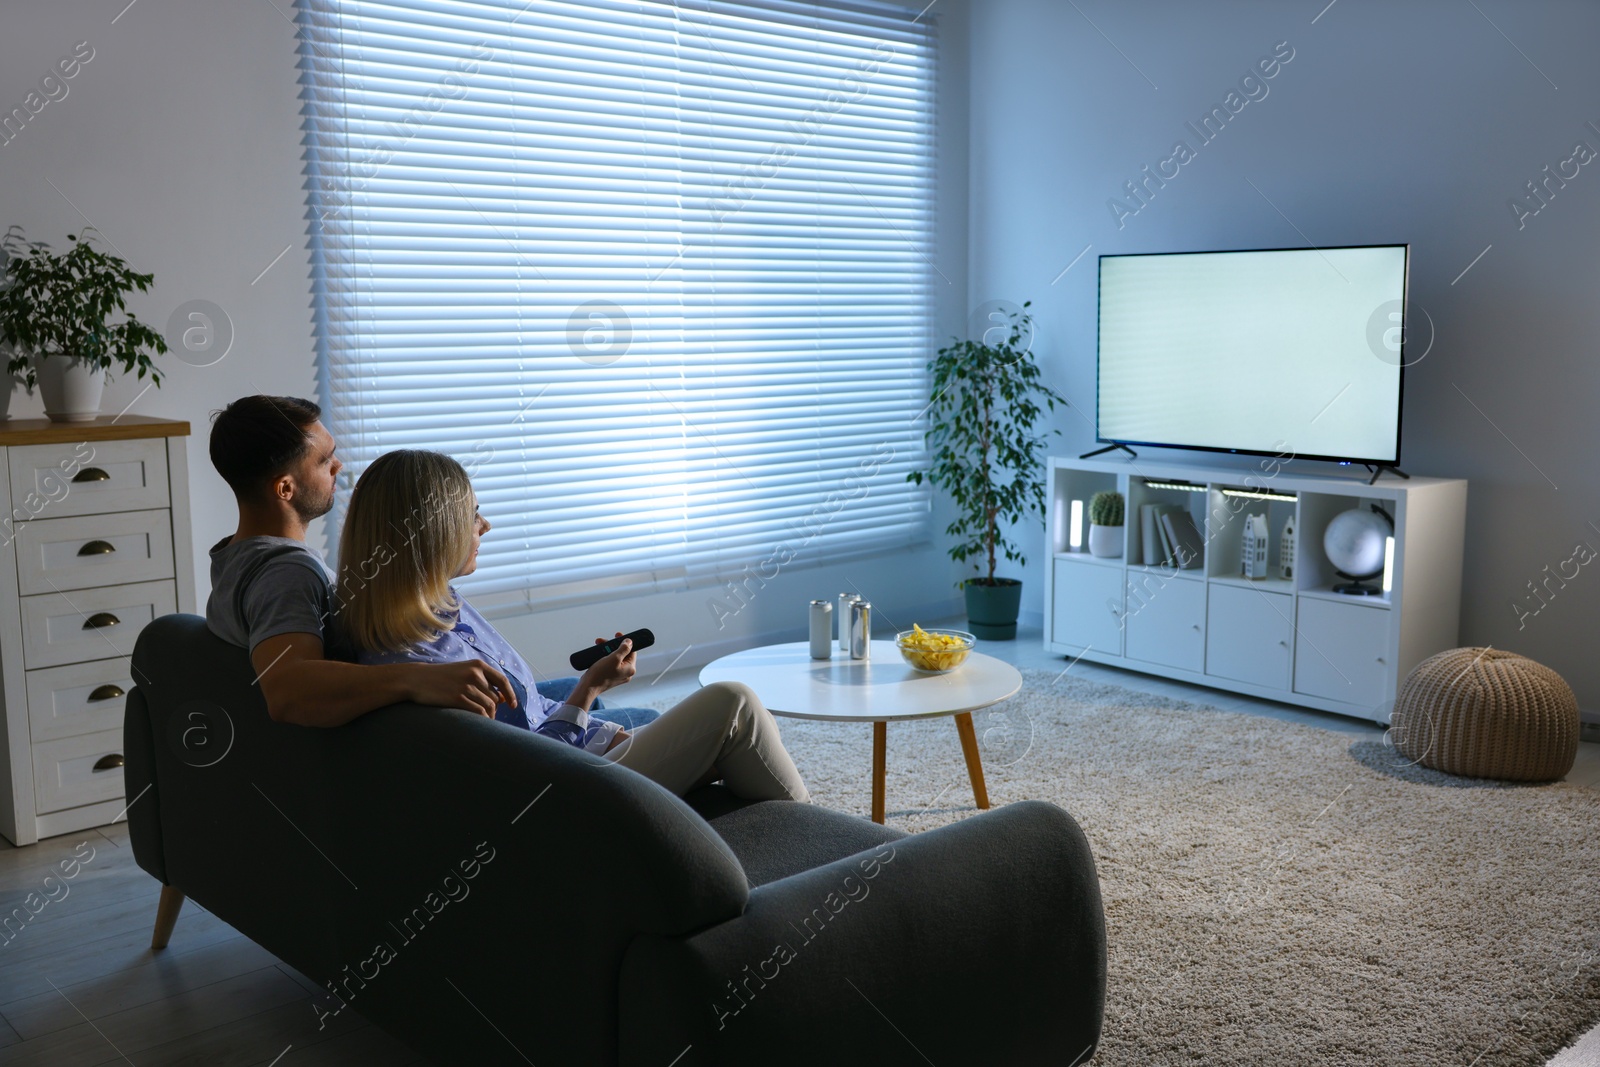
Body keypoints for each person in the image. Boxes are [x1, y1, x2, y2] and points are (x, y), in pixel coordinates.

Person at [335, 448, 809, 802]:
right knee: (735, 704)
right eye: (472, 514)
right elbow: (529, 769)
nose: (486, 526)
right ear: (432, 535)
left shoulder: (441, 608)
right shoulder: (428, 668)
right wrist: (588, 697)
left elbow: (531, 719)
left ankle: (796, 837)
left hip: (584, 754)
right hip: (572, 791)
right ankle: (816, 845)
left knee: (748, 730)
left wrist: (596, 708)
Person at [205, 395, 520, 725]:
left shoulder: (232, 560)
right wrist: (416, 678)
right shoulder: (288, 576)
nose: (339, 466)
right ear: (286, 488)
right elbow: (288, 692)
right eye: (325, 461)